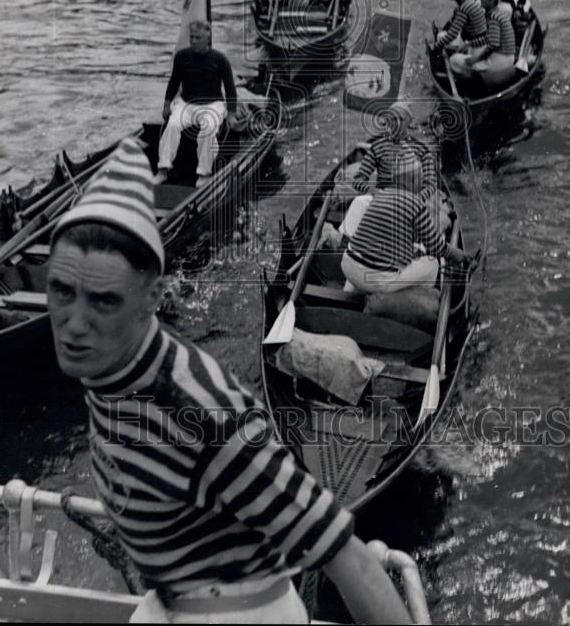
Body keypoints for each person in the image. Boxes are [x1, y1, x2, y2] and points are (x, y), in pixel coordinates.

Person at [47, 138, 413, 625]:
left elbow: (351, 560)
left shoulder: (199, 410)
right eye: (61, 291)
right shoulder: (109, 372)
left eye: (104, 301)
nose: (73, 322)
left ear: (153, 297)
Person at [341, 155, 470, 301]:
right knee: (432, 264)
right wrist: (458, 254)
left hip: (347, 266)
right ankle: (417, 304)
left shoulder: (381, 194)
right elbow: (436, 248)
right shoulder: (416, 204)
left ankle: (349, 293)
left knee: (367, 258)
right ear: (414, 181)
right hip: (375, 279)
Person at [335, 101, 439, 242]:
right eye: (392, 119)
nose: (396, 124)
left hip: (410, 204)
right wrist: (374, 192)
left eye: (401, 119)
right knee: (360, 202)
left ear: (409, 121)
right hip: (381, 201)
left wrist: (418, 199)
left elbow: (431, 184)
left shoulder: (421, 150)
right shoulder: (377, 148)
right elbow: (358, 180)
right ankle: (345, 246)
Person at [156, 21, 238, 188]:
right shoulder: (181, 57)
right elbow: (174, 82)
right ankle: (163, 169)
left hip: (213, 104)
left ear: (207, 37)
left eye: (197, 38)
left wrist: (231, 114)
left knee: (208, 129)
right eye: (191, 37)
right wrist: (166, 104)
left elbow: (230, 89)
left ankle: (204, 173)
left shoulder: (220, 60)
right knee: (171, 125)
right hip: (187, 103)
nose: (193, 41)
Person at [434, 0, 488, 79]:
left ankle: (463, 76)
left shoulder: (464, 8)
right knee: (441, 36)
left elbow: (452, 34)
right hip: (475, 41)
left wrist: (436, 46)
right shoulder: (471, 2)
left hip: (475, 47)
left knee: (452, 60)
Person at [463, 0, 518, 88]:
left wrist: (476, 59)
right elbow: (487, 38)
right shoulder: (497, 14)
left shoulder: (493, 17)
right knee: (473, 57)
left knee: (472, 67)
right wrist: (469, 44)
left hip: (502, 58)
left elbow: (493, 44)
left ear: (492, 1)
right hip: (507, 56)